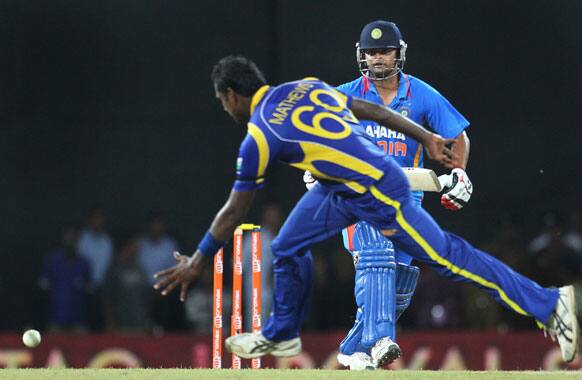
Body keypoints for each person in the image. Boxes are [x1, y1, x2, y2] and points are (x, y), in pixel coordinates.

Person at [153, 56, 579, 364]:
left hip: (378, 190)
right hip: (337, 192)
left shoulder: (258, 136)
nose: (225, 109)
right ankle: (282, 336)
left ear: (231, 95)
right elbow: (369, 109)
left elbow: (233, 211)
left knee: (447, 257)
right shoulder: (305, 85)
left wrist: (197, 261)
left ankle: (548, 304)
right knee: (286, 247)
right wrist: (426, 139)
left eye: (222, 101)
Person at [303, 20, 473, 369]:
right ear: (361, 55)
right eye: (371, 52)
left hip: (407, 203)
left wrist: (458, 172)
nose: (378, 58)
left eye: (384, 51)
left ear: (399, 53)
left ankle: (353, 348)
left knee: (401, 278)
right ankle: (381, 338)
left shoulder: (421, 94)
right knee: (376, 250)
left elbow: (456, 137)